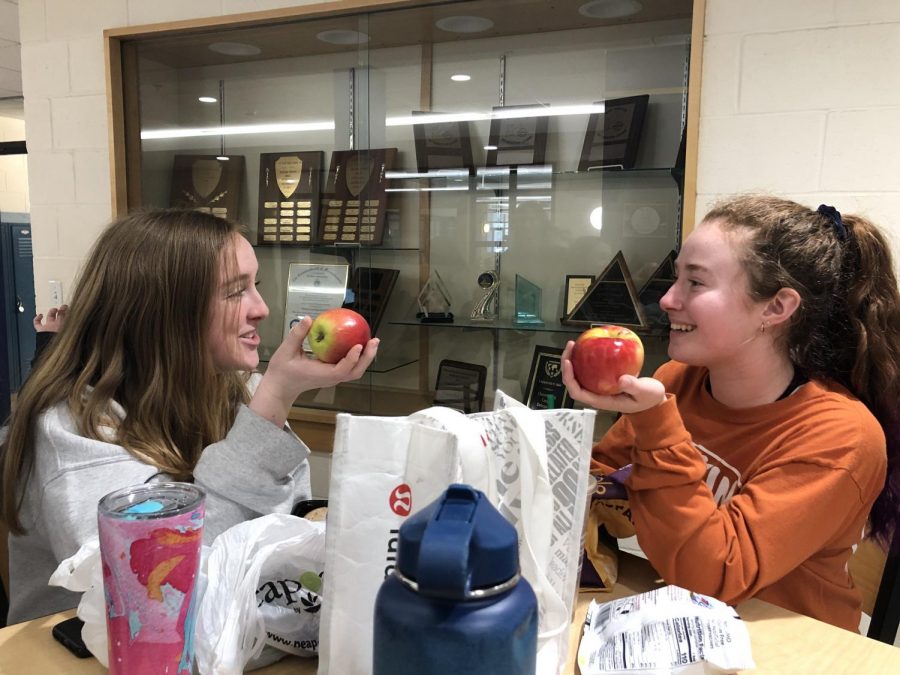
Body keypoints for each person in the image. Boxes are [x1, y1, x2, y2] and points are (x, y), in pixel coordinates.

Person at [0, 209, 379, 623]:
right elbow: (154, 588)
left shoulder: (232, 394)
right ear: (162, 311)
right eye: (235, 292)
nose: (262, 309)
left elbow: (274, 540)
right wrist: (275, 400)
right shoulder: (74, 426)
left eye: (257, 286)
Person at [562, 194, 900, 632]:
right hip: (693, 622)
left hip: (790, 643)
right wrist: (554, 454)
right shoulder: (678, 379)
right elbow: (605, 482)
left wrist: (655, 425)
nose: (666, 299)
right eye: (675, 278)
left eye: (695, 283)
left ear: (776, 307)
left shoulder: (842, 435)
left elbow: (715, 575)